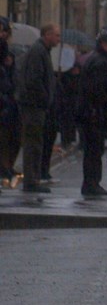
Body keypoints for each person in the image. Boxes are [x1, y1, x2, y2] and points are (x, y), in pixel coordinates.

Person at [15, 22, 60, 193]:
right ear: (47, 34)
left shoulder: (42, 51)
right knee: (33, 143)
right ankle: (31, 180)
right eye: (56, 35)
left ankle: (34, 178)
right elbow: (34, 80)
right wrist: (44, 98)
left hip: (37, 105)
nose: (58, 39)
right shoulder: (38, 51)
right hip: (34, 106)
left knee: (36, 142)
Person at [78, 33, 107, 196]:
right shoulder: (100, 63)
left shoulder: (100, 61)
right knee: (94, 150)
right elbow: (98, 91)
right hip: (94, 114)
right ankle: (91, 184)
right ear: (104, 45)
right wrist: (101, 110)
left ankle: (92, 183)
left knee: (94, 150)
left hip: (93, 112)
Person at [0, 17, 19, 187]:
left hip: (8, 101)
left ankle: (7, 166)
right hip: (3, 100)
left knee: (10, 138)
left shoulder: (8, 54)